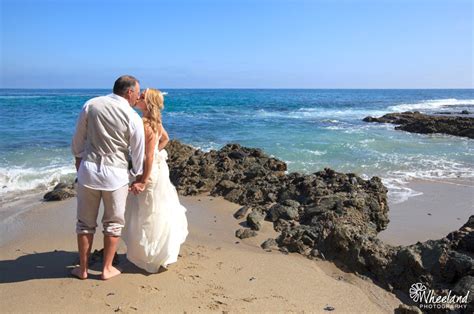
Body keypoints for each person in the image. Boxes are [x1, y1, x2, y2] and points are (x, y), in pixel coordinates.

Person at [71, 75, 145, 280]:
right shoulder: (132, 116)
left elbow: (78, 139)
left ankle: (83, 269)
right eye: (138, 92)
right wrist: (135, 175)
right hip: (115, 175)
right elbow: (138, 151)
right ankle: (106, 269)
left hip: (89, 171)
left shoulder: (91, 104)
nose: (138, 96)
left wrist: (80, 162)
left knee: (84, 223)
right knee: (113, 223)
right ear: (129, 92)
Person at [123, 88, 188, 273]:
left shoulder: (145, 124)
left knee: (147, 212)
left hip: (149, 173)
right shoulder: (155, 121)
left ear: (148, 103)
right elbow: (165, 139)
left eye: (142, 97)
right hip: (159, 171)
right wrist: (157, 154)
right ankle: (157, 252)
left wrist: (142, 179)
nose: (137, 98)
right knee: (155, 210)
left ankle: (151, 254)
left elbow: (149, 156)